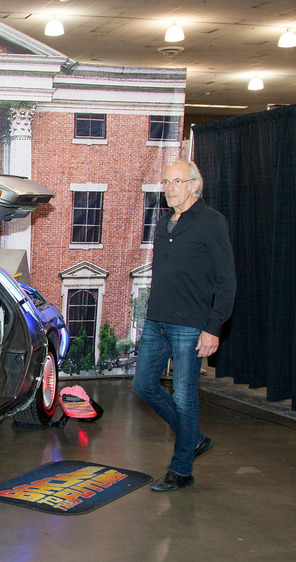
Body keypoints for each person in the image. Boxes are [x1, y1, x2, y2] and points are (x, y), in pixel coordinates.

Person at [133, 159, 236, 492]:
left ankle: (181, 470)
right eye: (165, 182)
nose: (169, 188)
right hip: (157, 320)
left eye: (176, 181)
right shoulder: (164, 223)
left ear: (195, 184)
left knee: (185, 398)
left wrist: (214, 327)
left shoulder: (212, 223)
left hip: (191, 325)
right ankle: (194, 438)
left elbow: (226, 280)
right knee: (144, 385)